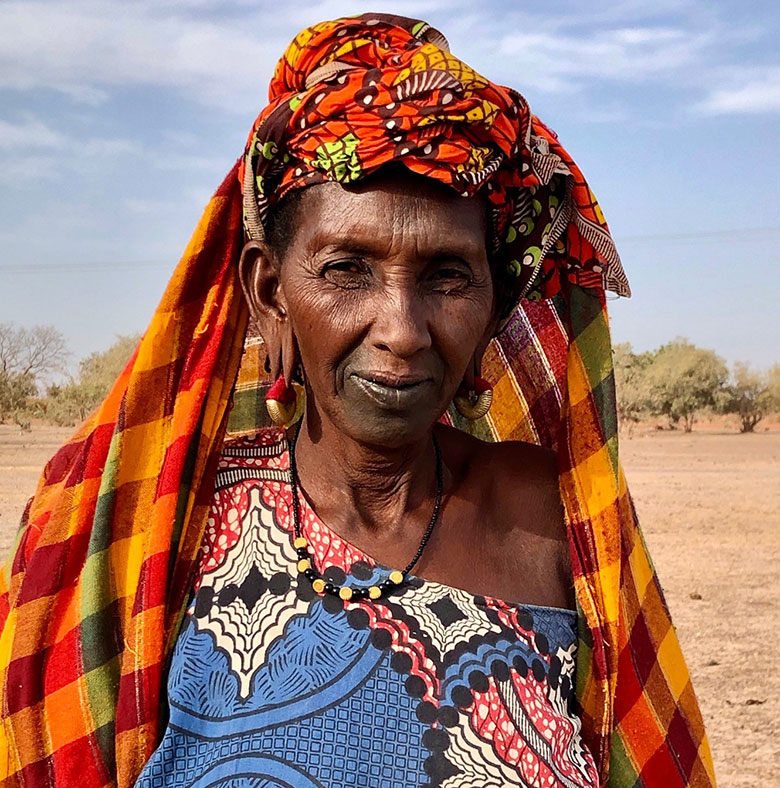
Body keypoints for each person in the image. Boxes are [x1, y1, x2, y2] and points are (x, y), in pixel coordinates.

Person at [0, 13, 714, 788]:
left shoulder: (554, 519)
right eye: (346, 269)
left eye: (447, 274)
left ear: (495, 305)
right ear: (270, 293)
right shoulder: (160, 525)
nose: (402, 331)